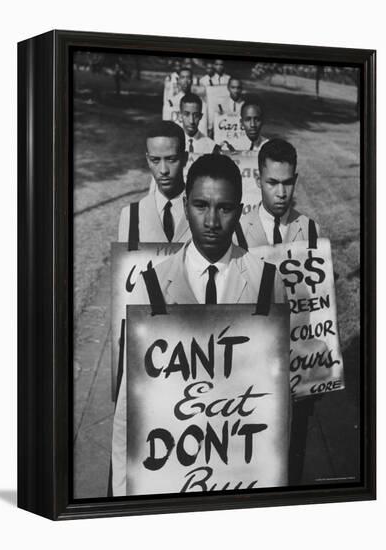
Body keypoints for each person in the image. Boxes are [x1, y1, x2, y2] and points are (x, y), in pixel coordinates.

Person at [111, 154, 286, 495]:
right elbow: (126, 415)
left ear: (239, 210)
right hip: (169, 472)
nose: (211, 221)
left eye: (225, 208)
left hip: (240, 471)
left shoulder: (268, 282)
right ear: (185, 206)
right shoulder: (151, 285)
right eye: (200, 205)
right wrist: (123, 500)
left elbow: (276, 407)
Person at [237, 139, 321, 247]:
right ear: (259, 180)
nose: (281, 193)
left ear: (295, 180)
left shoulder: (311, 230)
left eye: (287, 183)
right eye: (272, 183)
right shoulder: (239, 232)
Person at [117, 121, 191, 244]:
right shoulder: (131, 215)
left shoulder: (205, 211)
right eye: (155, 160)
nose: (163, 170)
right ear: (147, 160)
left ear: (185, 158)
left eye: (171, 159)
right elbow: (126, 262)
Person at [163, 67, 208, 134]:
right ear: (178, 80)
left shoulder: (199, 102)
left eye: (188, 77)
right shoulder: (170, 102)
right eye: (182, 77)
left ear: (192, 81)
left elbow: (203, 127)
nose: (185, 81)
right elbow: (166, 126)